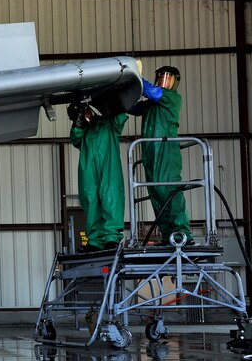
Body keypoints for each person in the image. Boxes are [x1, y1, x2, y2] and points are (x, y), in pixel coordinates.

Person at [130, 65, 193, 245]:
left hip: (166, 152)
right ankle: (169, 235)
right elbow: (132, 108)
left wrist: (133, 77)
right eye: (161, 78)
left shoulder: (171, 98)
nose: (163, 82)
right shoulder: (150, 104)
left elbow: (152, 92)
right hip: (151, 152)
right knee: (156, 193)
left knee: (169, 191)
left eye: (168, 78)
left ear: (175, 83)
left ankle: (183, 234)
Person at [68, 103, 128, 252]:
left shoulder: (108, 123)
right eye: (82, 114)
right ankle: (94, 241)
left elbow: (120, 117)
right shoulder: (83, 131)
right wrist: (78, 122)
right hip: (89, 171)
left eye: (86, 111)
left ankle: (111, 238)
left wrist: (106, 102)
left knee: (111, 198)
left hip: (108, 168)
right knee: (90, 200)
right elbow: (75, 138)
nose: (86, 115)